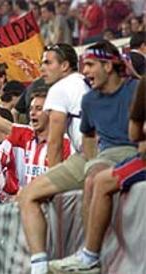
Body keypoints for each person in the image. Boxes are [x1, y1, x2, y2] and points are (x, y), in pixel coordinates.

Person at [20, 41, 139, 274]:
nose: (85, 71)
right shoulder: (89, 97)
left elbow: (54, 144)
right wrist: (93, 161)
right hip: (91, 155)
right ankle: (49, 264)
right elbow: (88, 137)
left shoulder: (132, 89)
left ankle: (79, 258)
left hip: (119, 153)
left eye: (91, 65)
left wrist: (91, 164)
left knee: (88, 178)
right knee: (32, 193)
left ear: (108, 66)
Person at [49, 77, 146, 273]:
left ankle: (90, 256)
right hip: (130, 155)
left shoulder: (141, 86)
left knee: (100, 180)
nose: (86, 71)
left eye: (91, 65)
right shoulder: (135, 87)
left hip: (139, 158)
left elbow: (136, 133)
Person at [17, 43, 90, 274]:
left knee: (28, 194)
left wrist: (51, 183)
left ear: (65, 65)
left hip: (88, 156)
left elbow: (55, 143)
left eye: (48, 63)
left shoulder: (60, 89)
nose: (42, 69)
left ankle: (39, 266)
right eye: (41, 63)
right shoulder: (83, 82)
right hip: (94, 153)